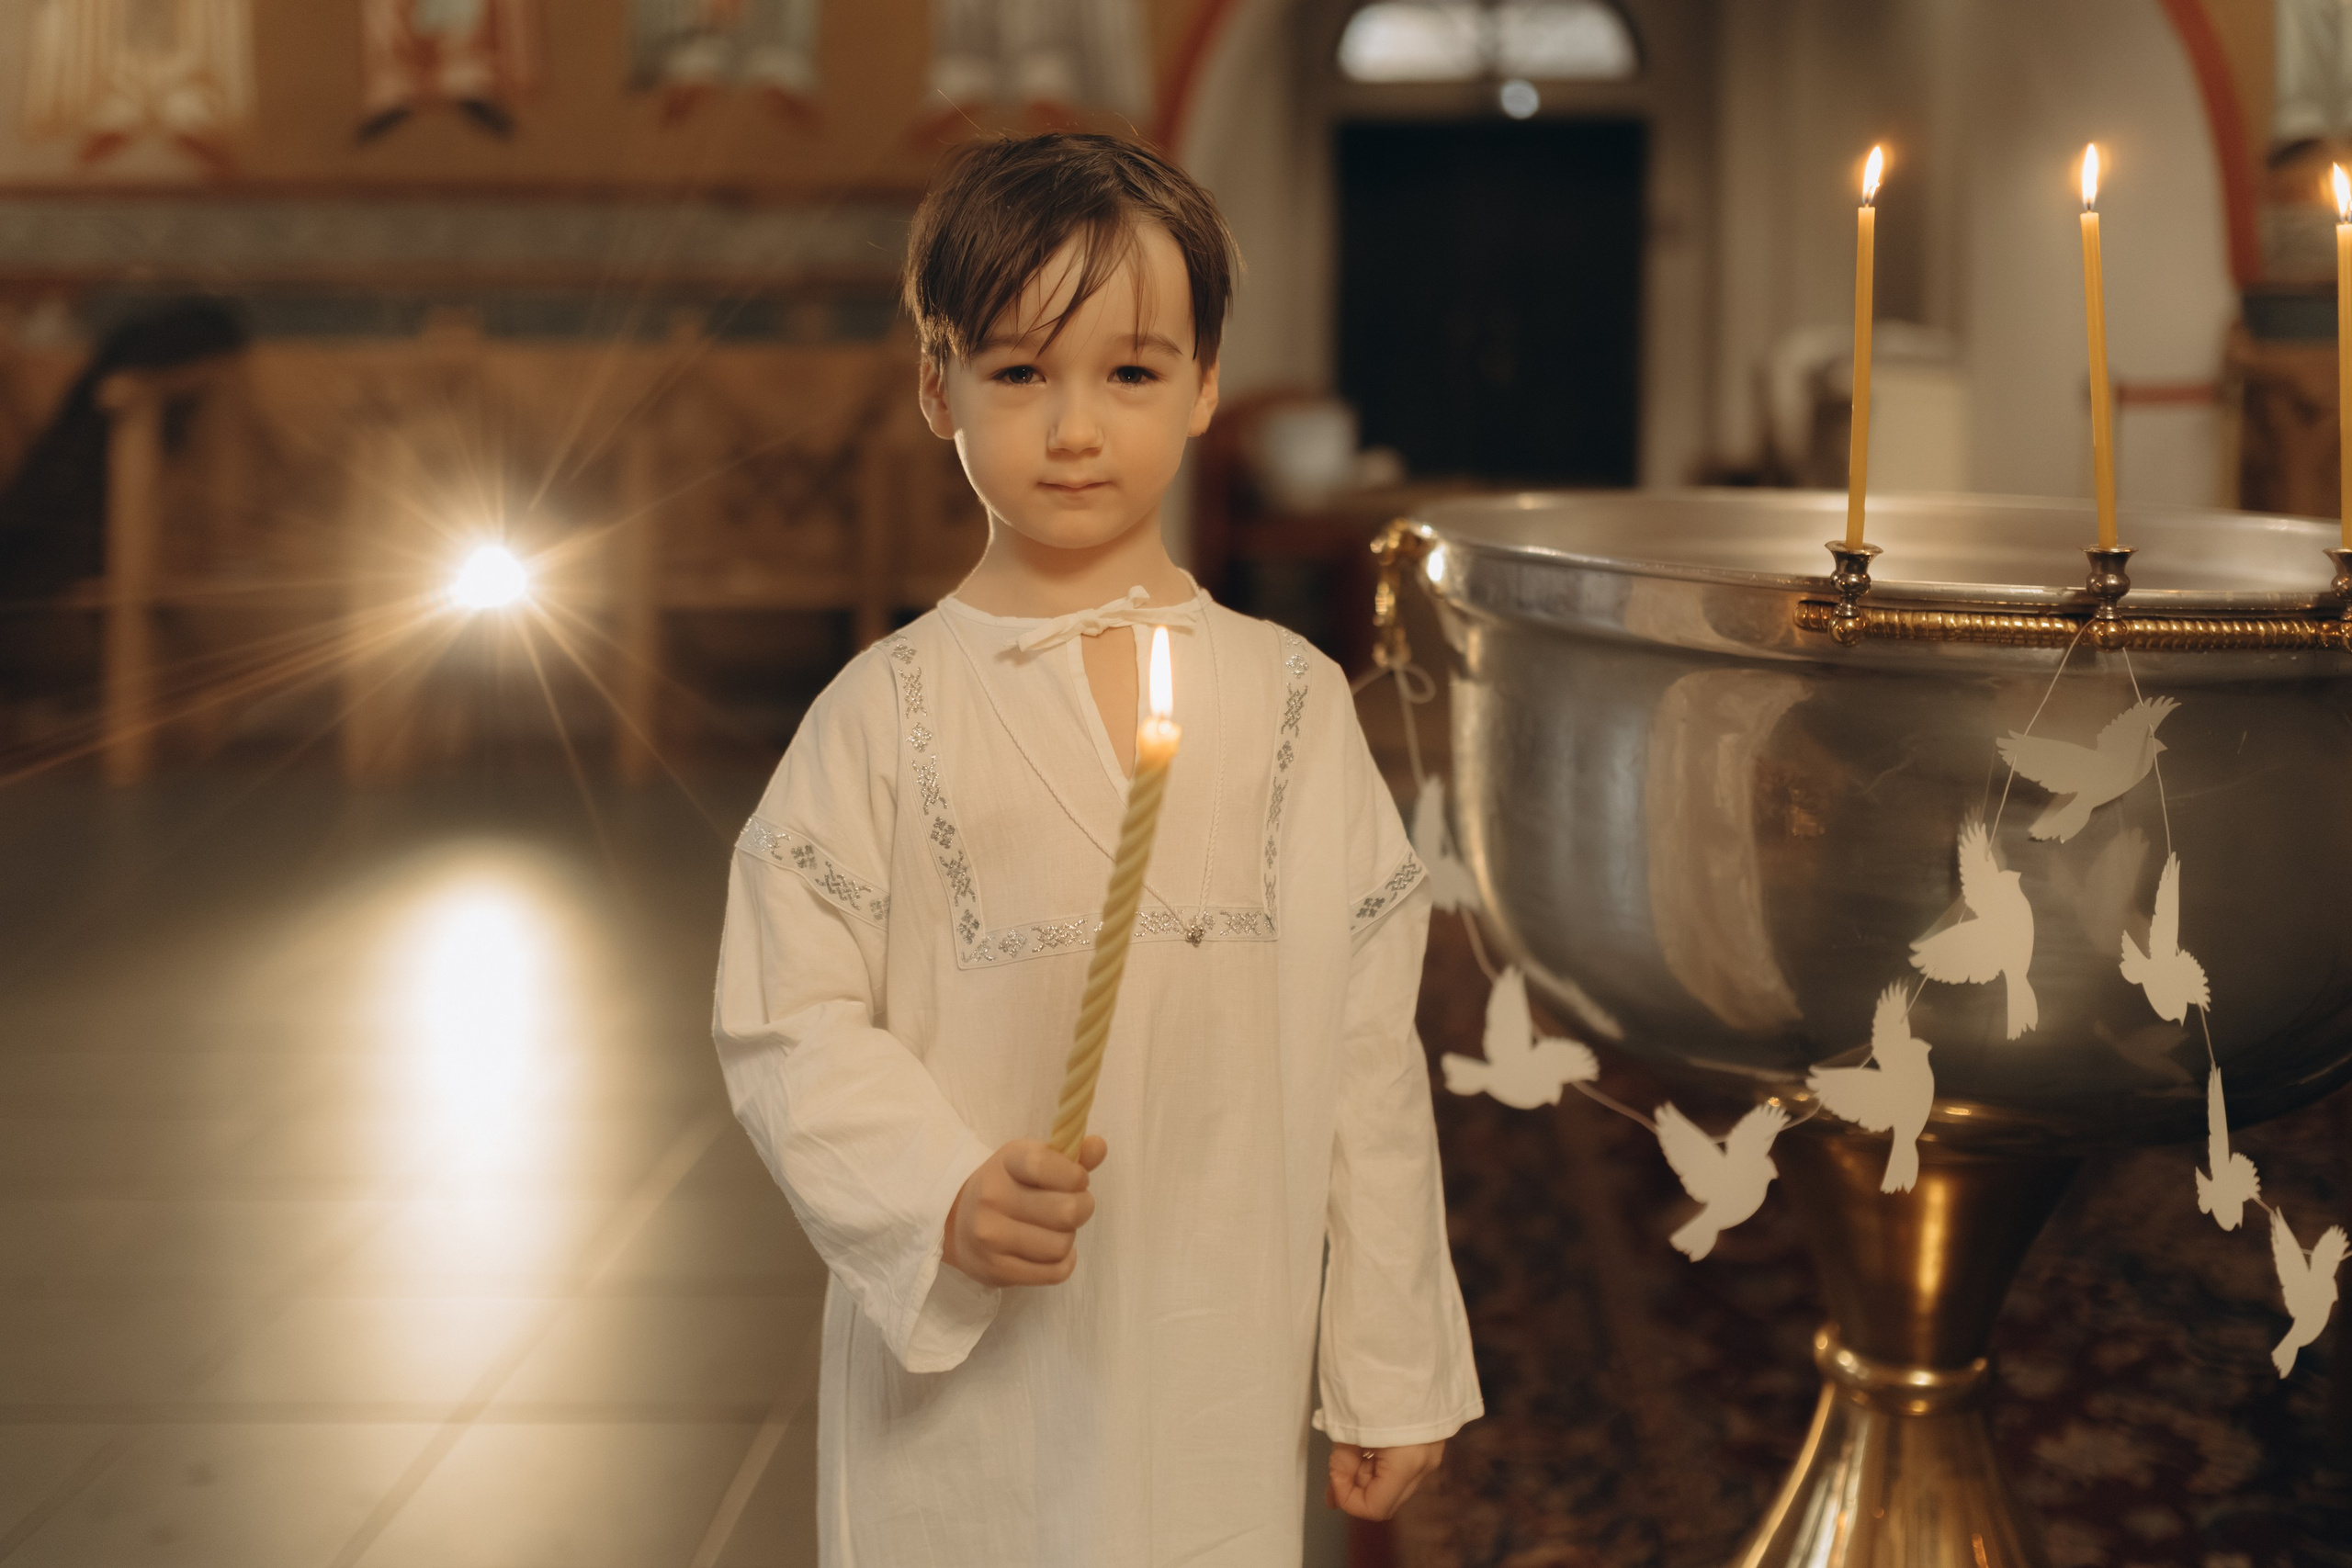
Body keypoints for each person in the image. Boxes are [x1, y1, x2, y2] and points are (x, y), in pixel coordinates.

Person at [714, 132, 1480, 1566]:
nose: (1075, 428)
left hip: (1214, 1336)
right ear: (936, 385)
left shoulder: (1296, 705)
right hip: (971, 1384)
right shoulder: (882, 714)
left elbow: (1365, 1052)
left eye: (1129, 372)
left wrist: (1389, 1358)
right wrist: (939, 1193)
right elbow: (786, 1022)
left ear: (1203, 386)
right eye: (1019, 373)